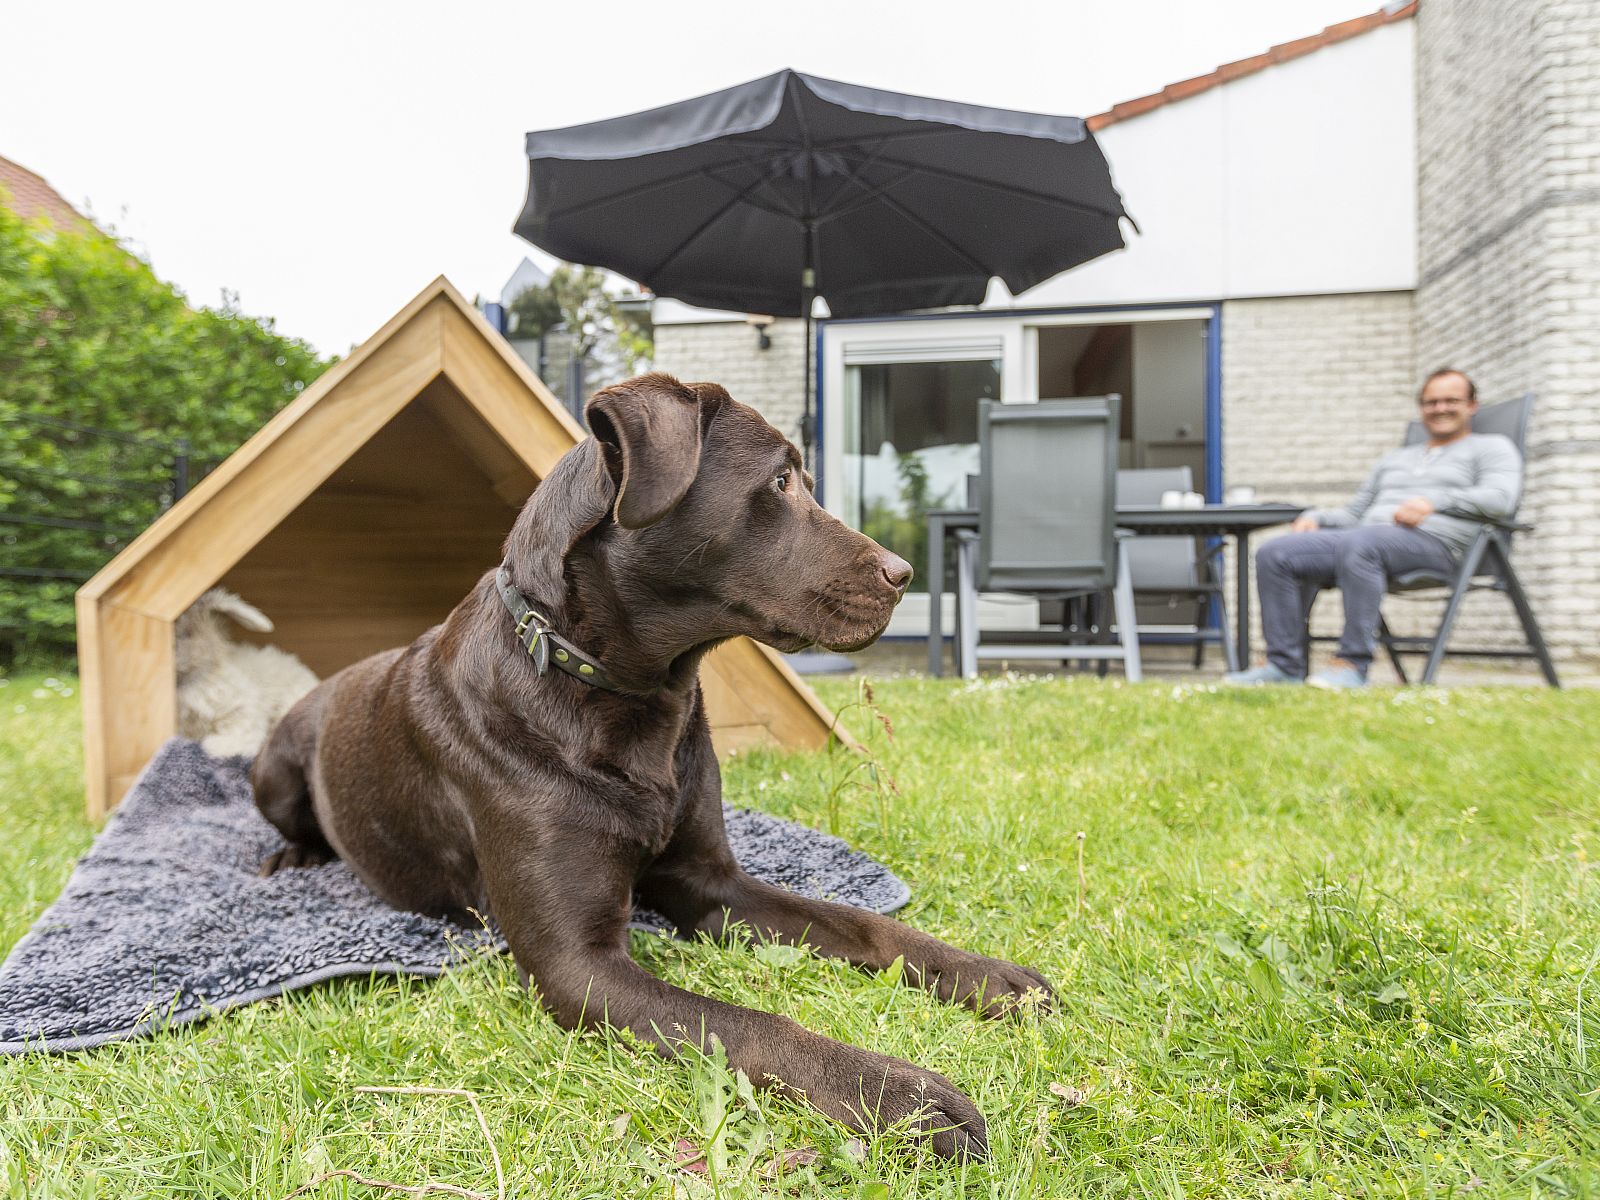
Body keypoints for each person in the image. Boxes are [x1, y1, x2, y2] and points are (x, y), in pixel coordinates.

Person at [1226, 368, 1522, 689]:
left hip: (1440, 546)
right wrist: (1317, 517)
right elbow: (1355, 514)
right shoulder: (1396, 458)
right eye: (1431, 402)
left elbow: (1501, 499)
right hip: (1369, 539)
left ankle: (1353, 664)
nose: (1440, 409)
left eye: (1451, 401)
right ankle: (1283, 666)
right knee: (1277, 552)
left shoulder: (1492, 447)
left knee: (1364, 542)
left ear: (1472, 405)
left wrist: (1434, 501)